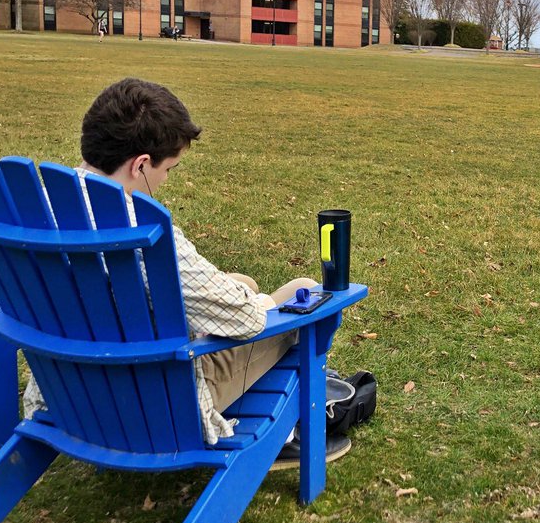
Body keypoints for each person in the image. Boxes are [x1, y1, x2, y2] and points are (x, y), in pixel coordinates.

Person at [21, 77, 344, 465]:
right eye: (168, 169)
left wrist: (238, 292)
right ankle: (290, 431)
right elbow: (244, 319)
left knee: (240, 282)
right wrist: (257, 302)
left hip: (71, 387)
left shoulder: (39, 209)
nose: (165, 180)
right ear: (140, 164)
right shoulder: (142, 231)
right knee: (300, 292)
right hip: (160, 400)